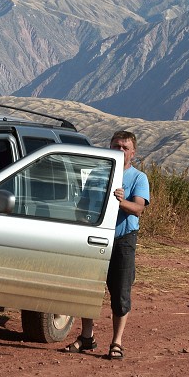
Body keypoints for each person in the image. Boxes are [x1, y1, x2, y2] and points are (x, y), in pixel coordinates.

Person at [64, 130, 150, 360]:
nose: (120, 151)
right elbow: (82, 206)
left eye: (124, 147)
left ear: (133, 152)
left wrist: (122, 201)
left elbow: (139, 209)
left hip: (123, 241)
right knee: (90, 289)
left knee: (120, 292)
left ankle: (116, 342)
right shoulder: (96, 175)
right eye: (116, 146)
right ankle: (86, 337)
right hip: (95, 238)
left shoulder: (139, 178)